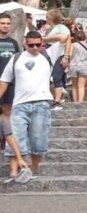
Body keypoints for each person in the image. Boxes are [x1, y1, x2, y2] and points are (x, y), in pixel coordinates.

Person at [0, 30, 54, 179]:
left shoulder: (47, 55)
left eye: (38, 44)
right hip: (19, 104)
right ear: (25, 43)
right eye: (31, 45)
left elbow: (65, 38)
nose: (35, 48)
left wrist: (46, 38)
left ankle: (34, 169)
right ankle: (14, 170)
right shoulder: (16, 58)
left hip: (42, 103)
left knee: (38, 138)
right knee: (16, 136)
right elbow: (4, 80)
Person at [0, 12, 29, 183]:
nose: (5, 26)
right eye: (2, 23)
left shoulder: (13, 43)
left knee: (8, 114)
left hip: (11, 83)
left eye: (7, 23)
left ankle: (7, 140)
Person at [41, 9, 71, 110]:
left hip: (59, 54)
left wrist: (66, 56)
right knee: (49, 78)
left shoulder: (62, 28)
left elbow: (67, 40)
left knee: (56, 77)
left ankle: (57, 100)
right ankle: (58, 95)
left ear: (51, 18)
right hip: (51, 54)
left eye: (47, 17)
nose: (46, 19)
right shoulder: (52, 28)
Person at [66, 24, 87, 103]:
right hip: (84, 66)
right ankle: (80, 102)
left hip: (73, 65)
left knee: (74, 86)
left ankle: (75, 102)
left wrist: (67, 65)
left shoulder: (72, 45)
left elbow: (69, 55)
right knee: (81, 86)